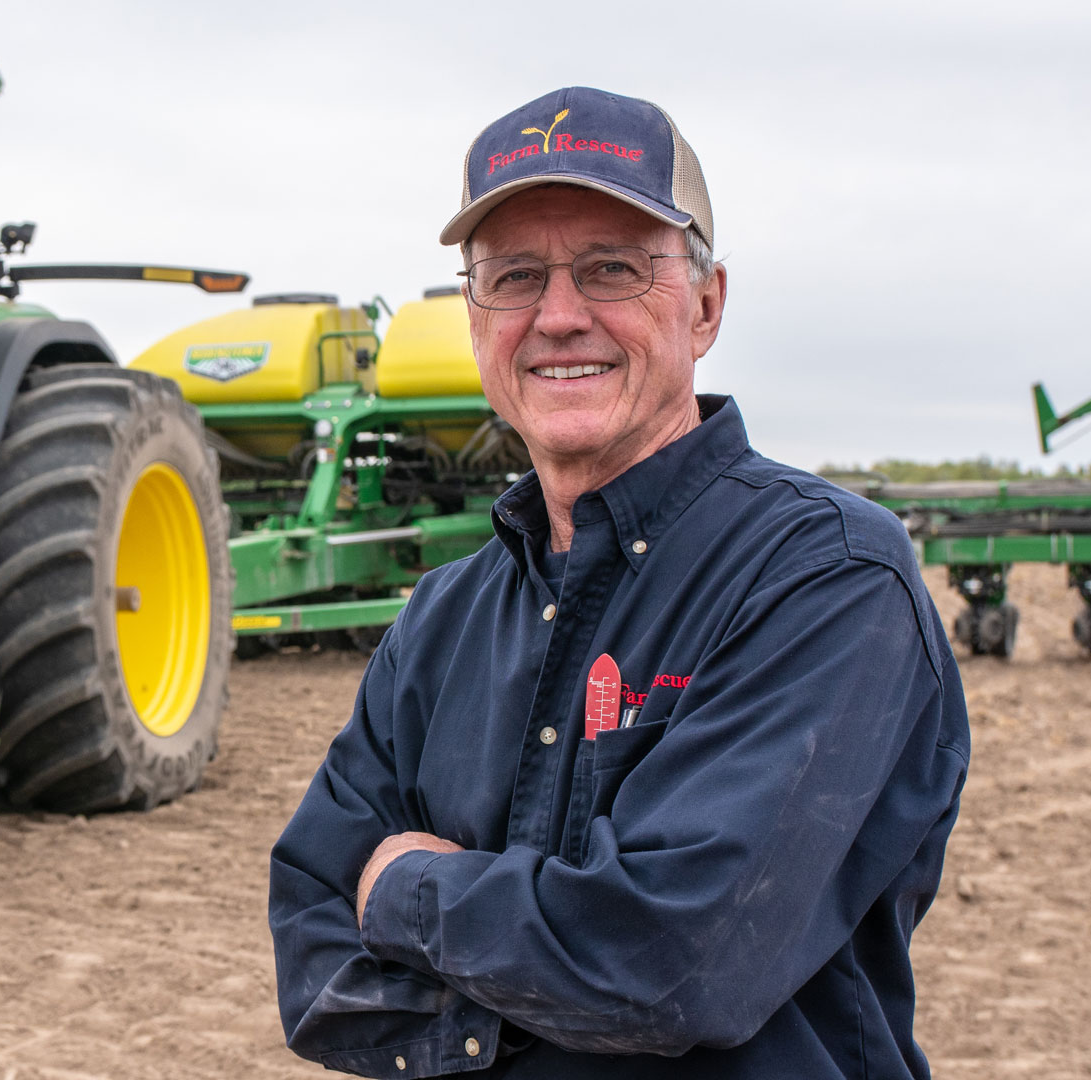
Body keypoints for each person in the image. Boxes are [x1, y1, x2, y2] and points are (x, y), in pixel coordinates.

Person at [267, 87, 969, 1078]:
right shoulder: (443, 617)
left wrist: (403, 893)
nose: (558, 317)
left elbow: (680, 963)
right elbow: (312, 943)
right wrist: (551, 977)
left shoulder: (827, 579)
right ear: (474, 316)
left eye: (611, 269)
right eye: (513, 277)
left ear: (707, 304)